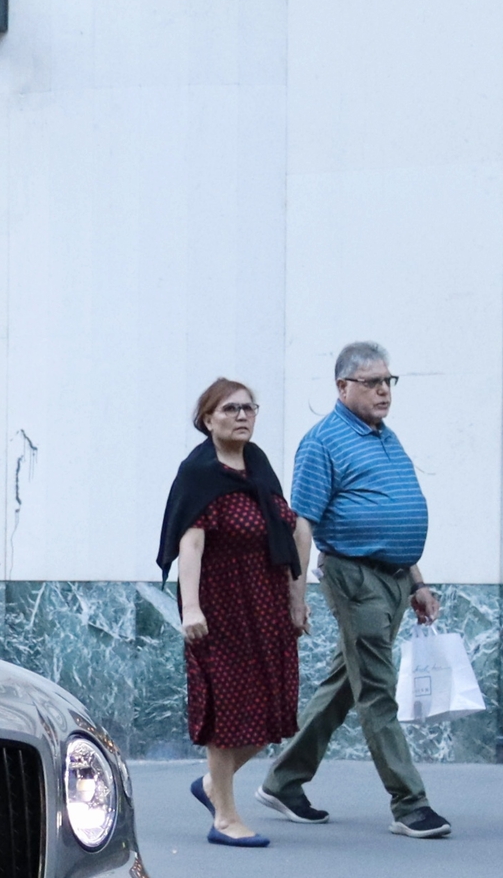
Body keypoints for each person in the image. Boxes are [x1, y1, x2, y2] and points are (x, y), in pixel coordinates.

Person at [257, 343, 452, 838]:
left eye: (389, 381)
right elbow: (303, 525)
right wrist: (295, 597)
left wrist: (419, 582)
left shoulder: (386, 438)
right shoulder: (323, 442)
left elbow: (397, 517)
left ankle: (283, 781)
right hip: (355, 576)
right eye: (372, 382)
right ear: (343, 387)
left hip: (393, 577)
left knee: (349, 681)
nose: (384, 390)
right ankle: (409, 803)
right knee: (378, 691)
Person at [159, 379, 311, 846]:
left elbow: (288, 526)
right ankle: (225, 816)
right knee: (226, 712)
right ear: (208, 419)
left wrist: (296, 597)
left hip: (266, 604)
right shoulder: (199, 472)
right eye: (231, 409)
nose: (242, 416)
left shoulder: (258, 462)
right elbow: (191, 542)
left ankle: (211, 786)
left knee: (273, 709)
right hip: (220, 608)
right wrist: (190, 608)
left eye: (249, 408)